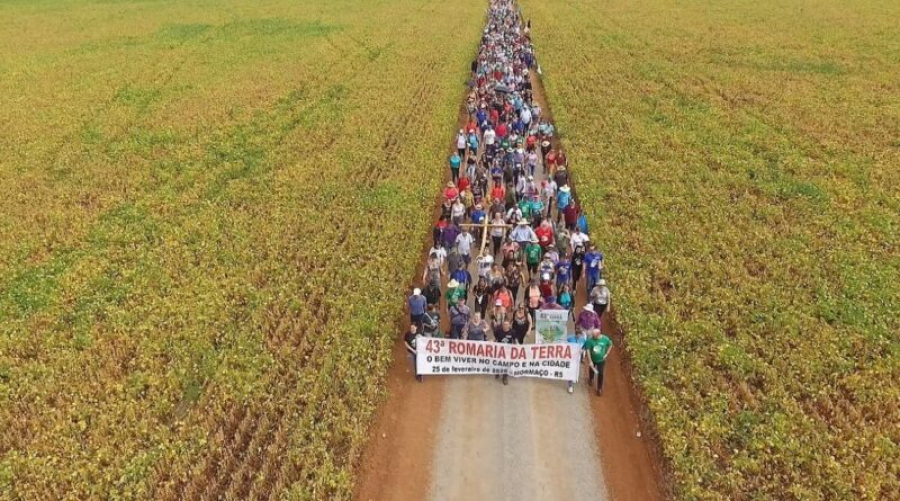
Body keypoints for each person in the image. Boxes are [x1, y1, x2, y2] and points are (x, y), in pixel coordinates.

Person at [583, 329, 612, 395]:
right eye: (593, 335)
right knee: (591, 369)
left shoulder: (605, 339)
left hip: (601, 360)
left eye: (594, 335)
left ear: (599, 334)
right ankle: (591, 379)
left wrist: (607, 353)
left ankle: (599, 388)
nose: (593, 336)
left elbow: (610, 344)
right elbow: (588, 350)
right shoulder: (590, 340)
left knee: (600, 373)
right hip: (593, 359)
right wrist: (590, 361)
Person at [494, 320, 514, 385]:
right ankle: (498, 372)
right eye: (504, 324)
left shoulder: (512, 332)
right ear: (502, 325)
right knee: (499, 362)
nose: (505, 326)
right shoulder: (498, 331)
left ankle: (505, 377)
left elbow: (515, 339)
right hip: (500, 350)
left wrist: (517, 346)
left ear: (509, 325)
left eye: (507, 324)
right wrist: (493, 341)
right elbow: (496, 339)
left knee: (506, 364)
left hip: (508, 351)